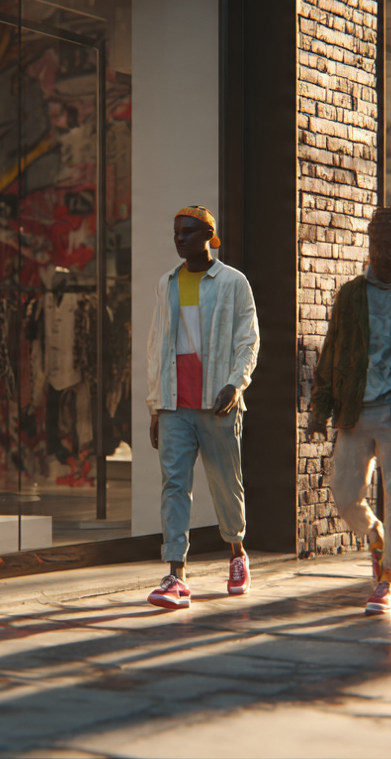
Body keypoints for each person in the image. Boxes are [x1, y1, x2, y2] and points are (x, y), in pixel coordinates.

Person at [306, 206, 391, 615]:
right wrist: (320, 409)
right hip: (355, 411)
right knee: (345, 495)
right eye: (376, 242)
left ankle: (390, 578)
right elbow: (332, 353)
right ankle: (375, 536)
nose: (382, 250)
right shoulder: (351, 294)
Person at [144, 206, 260, 609]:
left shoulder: (233, 282)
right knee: (174, 485)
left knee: (226, 483)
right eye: (176, 232)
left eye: (188, 232)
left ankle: (237, 553)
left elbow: (249, 340)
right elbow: (157, 344)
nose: (179, 239)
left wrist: (235, 384)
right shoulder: (167, 283)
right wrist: (155, 406)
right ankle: (176, 574)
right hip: (176, 402)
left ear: (209, 235)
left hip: (217, 403)